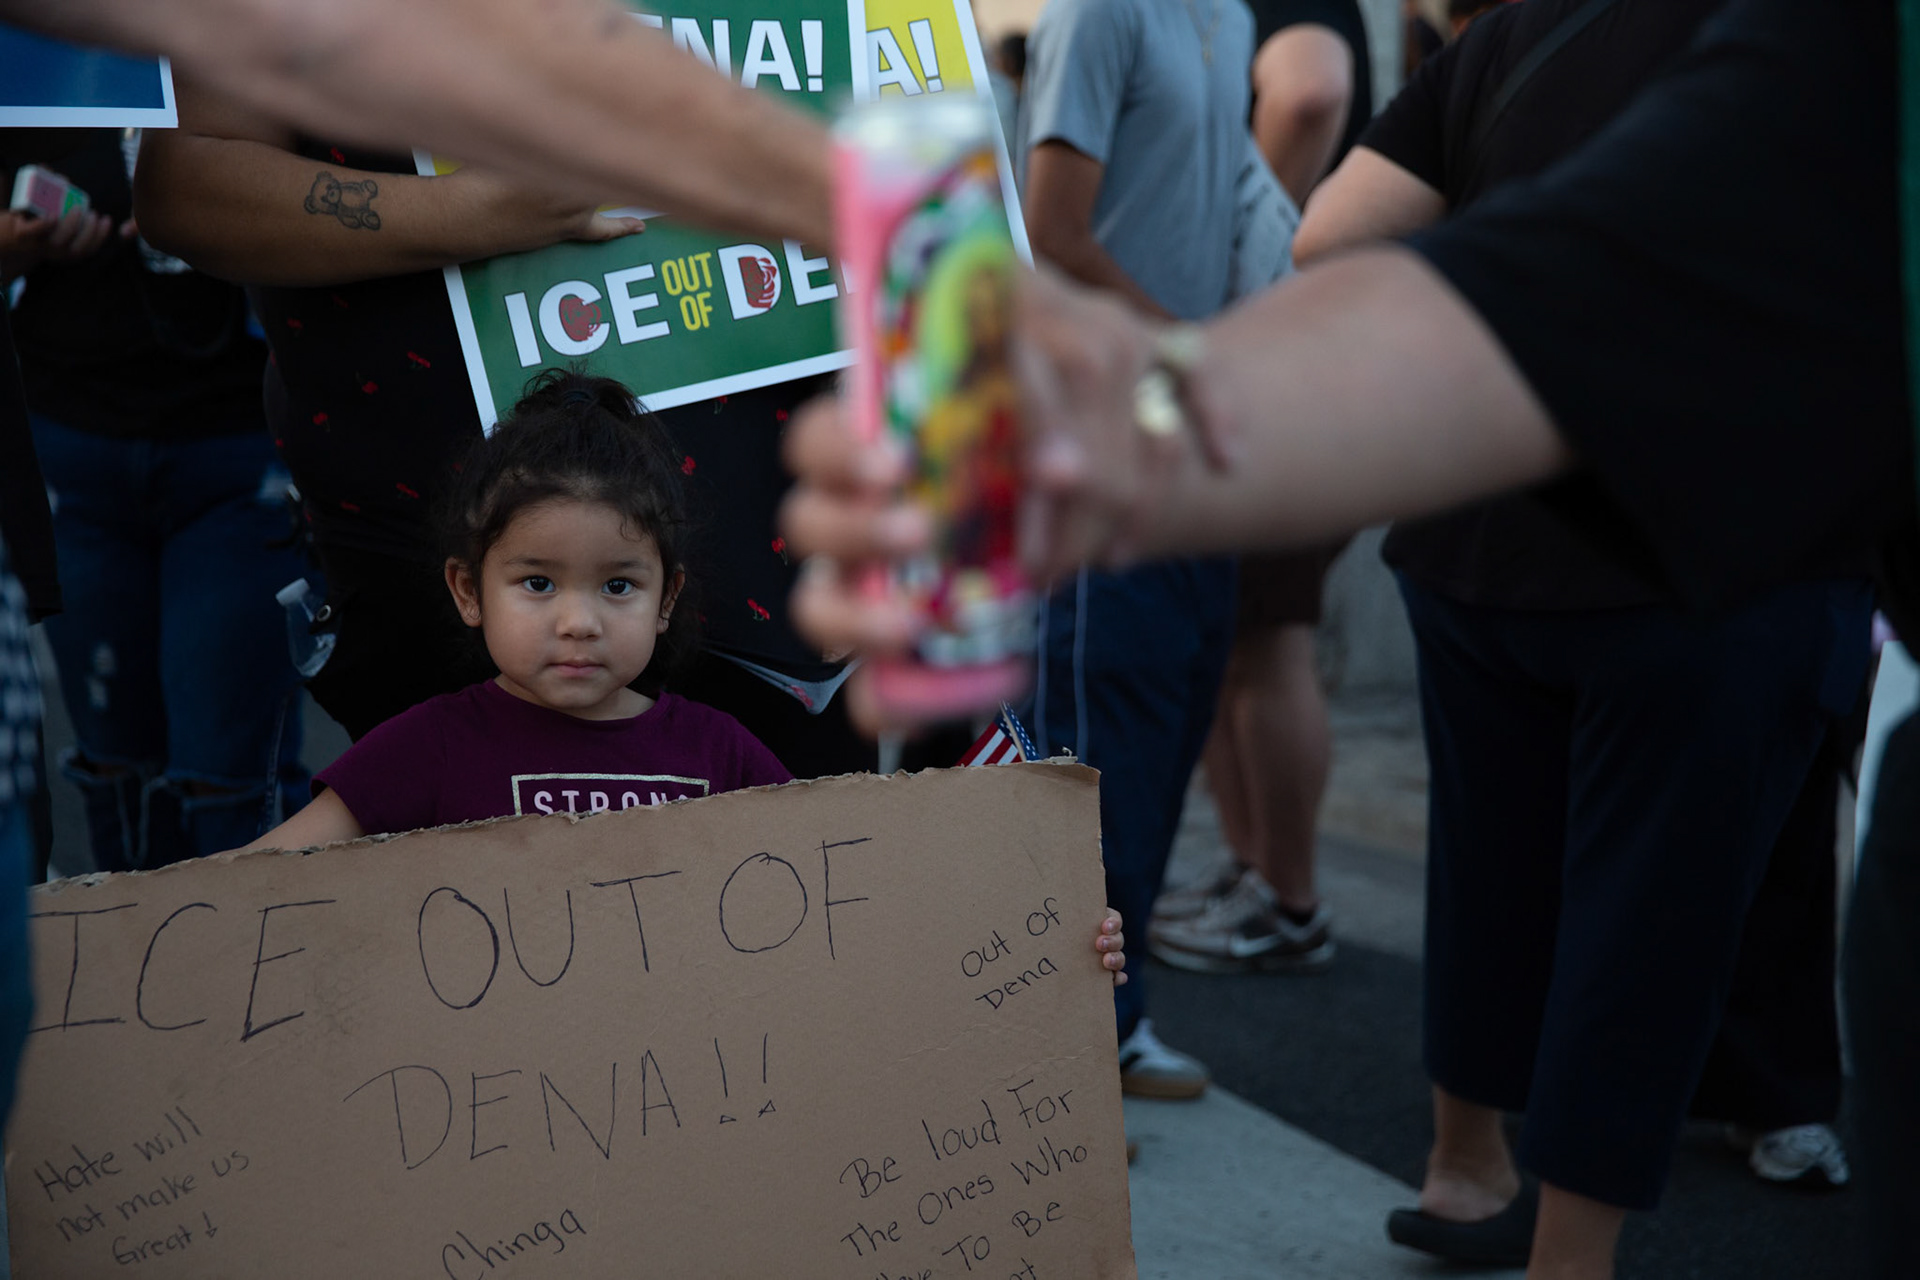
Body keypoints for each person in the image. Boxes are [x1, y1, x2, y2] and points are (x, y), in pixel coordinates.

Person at [781, 2, 1911, 1274]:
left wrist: (1133, 414)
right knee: (1633, 928)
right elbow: (1515, 318)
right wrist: (1135, 422)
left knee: (1521, 888)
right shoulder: (1820, 51)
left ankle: (1471, 1166)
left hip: (1545, 572)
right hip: (1651, 594)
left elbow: (1395, 261)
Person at [1016, 0, 1253, 1099]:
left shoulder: (1235, 14)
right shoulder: (1098, 12)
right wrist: (1185, 348)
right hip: (1108, 427)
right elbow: (1052, 229)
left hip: (1194, 436)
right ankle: (1058, 1055)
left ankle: (1117, 1022)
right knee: (1088, 754)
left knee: (1166, 734)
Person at [4, 131, 310, 871]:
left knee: (229, 772)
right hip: (69, 443)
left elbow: (349, 182)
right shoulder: (36, 42)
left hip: (245, 446)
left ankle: (261, 972)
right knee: (116, 763)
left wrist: (235, 217)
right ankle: (136, 970)